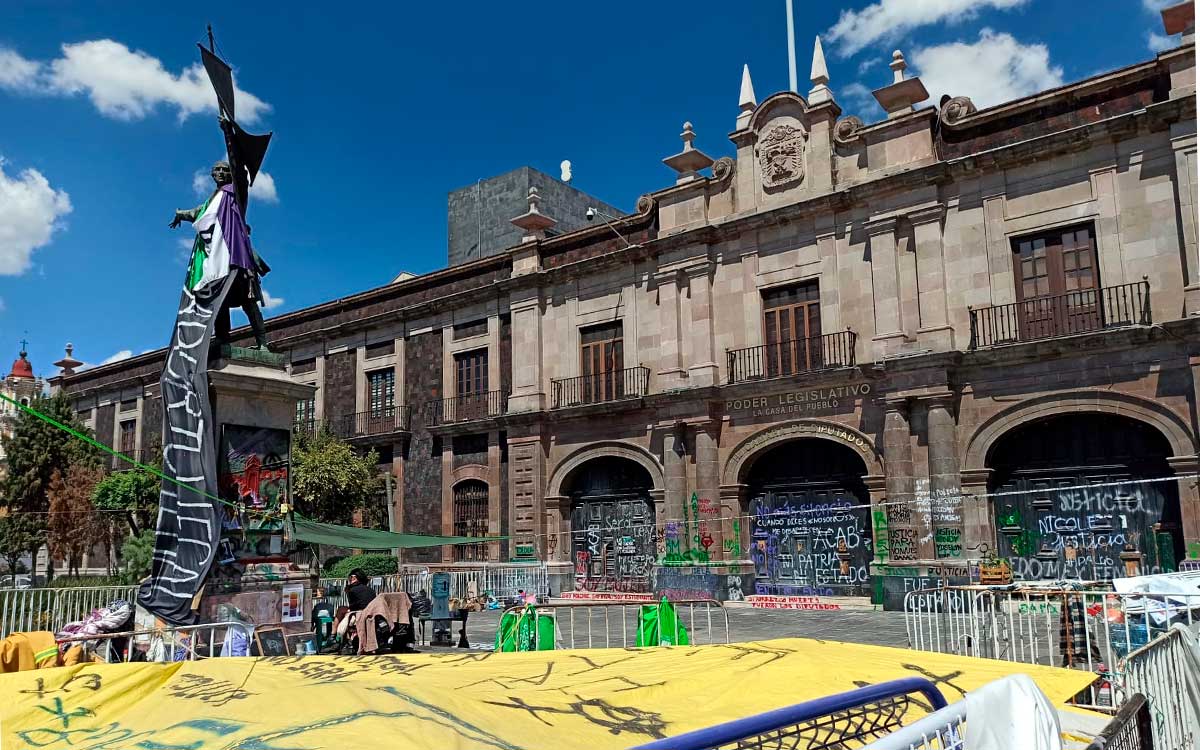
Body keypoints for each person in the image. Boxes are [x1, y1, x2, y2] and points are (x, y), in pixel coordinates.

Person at [169, 159, 272, 350]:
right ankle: (223, 339)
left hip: (238, 258)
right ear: (212, 174)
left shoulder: (234, 193)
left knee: (249, 303)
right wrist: (180, 214)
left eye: (225, 170)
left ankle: (262, 344)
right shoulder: (213, 201)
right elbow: (198, 213)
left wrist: (231, 144)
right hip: (219, 260)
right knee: (220, 299)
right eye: (217, 170)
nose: (221, 173)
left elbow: (241, 179)